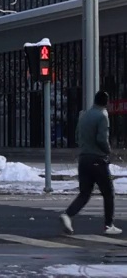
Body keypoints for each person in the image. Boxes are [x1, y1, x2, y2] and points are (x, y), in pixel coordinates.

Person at [62, 90, 120, 235]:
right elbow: (101, 139)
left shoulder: (85, 115)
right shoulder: (102, 116)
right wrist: (108, 151)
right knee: (108, 193)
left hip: (84, 159)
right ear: (106, 102)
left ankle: (68, 214)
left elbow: (77, 135)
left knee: (85, 193)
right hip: (97, 160)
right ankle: (108, 225)